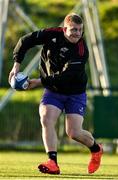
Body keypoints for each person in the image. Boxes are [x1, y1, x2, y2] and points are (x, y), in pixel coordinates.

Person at [9, 13, 103, 174]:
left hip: (74, 92)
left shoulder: (81, 51)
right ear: (64, 29)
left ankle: (96, 149)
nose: (77, 33)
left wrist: (38, 82)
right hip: (53, 90)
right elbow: (25, 41)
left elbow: (65, 77)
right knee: (46, 117)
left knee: (73, 133)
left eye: (80, 30)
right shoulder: (52, 34)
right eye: (73, 29)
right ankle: (52, 162)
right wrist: (16, 65)